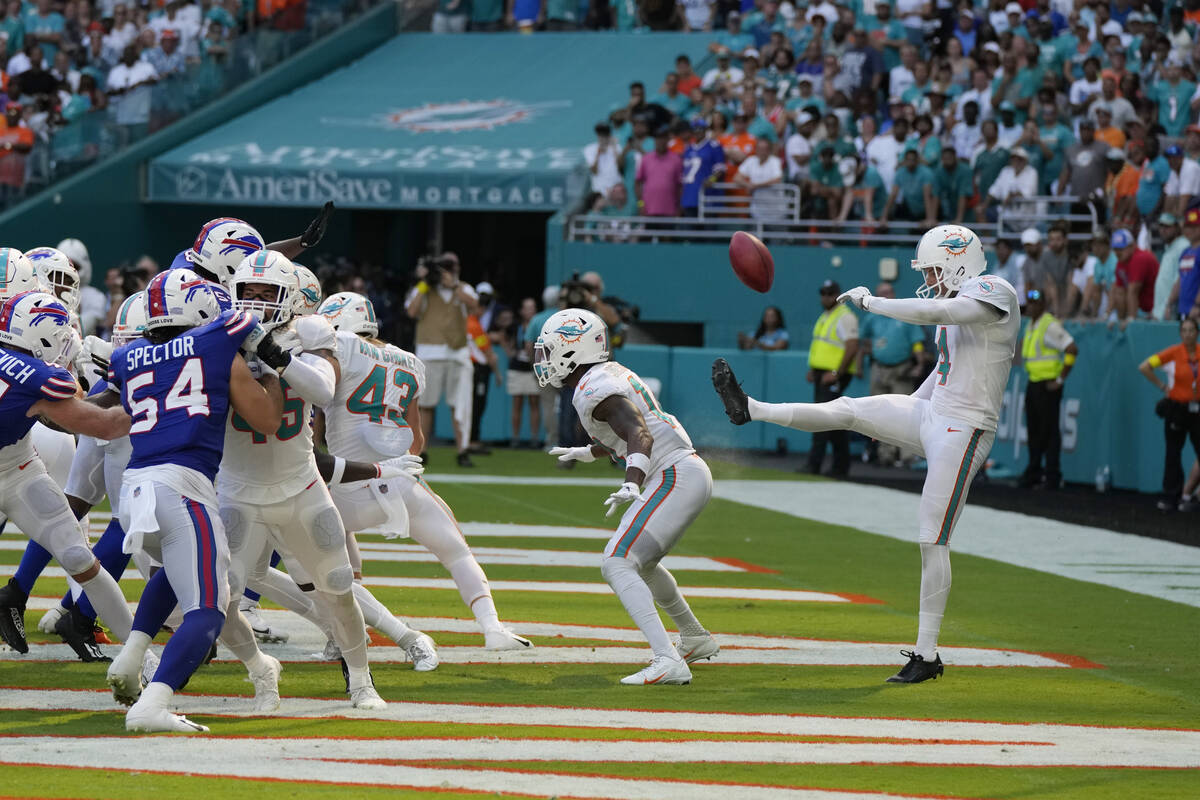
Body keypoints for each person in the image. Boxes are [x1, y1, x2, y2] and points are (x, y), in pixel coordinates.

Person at [714, 224, 1020, 683]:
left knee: (931, 538)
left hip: (967, 428)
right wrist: (901, 415)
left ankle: (927, 654)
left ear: (959, 258)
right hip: (933, 413)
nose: (932, 276)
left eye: (936, 267)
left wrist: (874, 303)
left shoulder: (996, 290)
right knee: (851, 409)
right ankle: (751, 408)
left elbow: (943, 308)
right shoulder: (956, 305)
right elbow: (944, 368)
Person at [101, 269, 287, 732]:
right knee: (207, 609)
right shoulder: (218, 342)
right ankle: (152, 706)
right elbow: (267, 420)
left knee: (178, 574)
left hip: (134, 491)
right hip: (183, 487)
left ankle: (131, 656)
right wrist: (273, 368)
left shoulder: (128, 356)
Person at [318, 291, 531, 651]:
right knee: (457, 552)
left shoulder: (341, 350)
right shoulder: (410, 362)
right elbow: (417, 439)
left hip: (349, 483)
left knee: (318, 556)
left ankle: (339, 637)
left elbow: (314, 419)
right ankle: (493, 628)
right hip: (401, 482)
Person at [537, 308, 715, 686]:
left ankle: (667, 659)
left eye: (551, 349)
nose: (545, 358)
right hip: (684, 470)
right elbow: (630, 430)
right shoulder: (607, 375)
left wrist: (633, 481)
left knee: (617, 562)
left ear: (573, 349)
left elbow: (640, 434)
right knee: (642, 564)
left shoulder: (592, 387)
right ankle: (694, 638)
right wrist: (589, 452)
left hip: (672, 474)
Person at [0, 287, 135, 658]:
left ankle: (140, 655)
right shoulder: (37, 377)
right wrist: (148, 396)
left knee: (77, 554)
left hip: (17, 463)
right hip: (18, 468)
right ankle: (141, 654)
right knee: (80, 559)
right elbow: (104, 426)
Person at [404, 252, 480, 467]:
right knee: (425, 404)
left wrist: (454, 285)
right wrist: (424, 283)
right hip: (430, 351)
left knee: (461, 404)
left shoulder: (463, 288)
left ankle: (462, 450)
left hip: (458, 353)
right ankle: (421, 449)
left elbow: (475, 306)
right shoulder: (425, 289)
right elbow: (412, 310)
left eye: (452, 266)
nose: (447, 270)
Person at [858, 281, 927, 466]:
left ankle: (907, 454)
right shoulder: (873, 317)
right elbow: (863, 338)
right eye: (881, 293)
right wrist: (862, 358)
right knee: (879, 412)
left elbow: (917, 342)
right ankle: (885, 453)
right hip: (879, 368)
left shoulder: (904, 314)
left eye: (888, 292)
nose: (885, 296)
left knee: (905, 411)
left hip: (901, 368)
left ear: (894, 293)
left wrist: (919, 362)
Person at [1017, 289, 1078, 490]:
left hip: (1048, 385)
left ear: (1043, 305)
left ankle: (1052, 475)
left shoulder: (1049, 324)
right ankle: (1034, 471)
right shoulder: (1032, 324)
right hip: (1034, 383)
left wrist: (1060, 379)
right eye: (1030, 303)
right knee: (1034, 430)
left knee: (1050, 431)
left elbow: (1071, 348)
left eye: (1036, 303)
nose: (1032, 307)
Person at [1138, 318, 1200, 511]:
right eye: (1185, 330)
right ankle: (1171, 496)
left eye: (1192, 330)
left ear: (1197, 333)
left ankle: (1189, 495)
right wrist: (1163, 386)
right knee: (1173, 452)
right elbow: (1145, 366)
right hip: (1177, 408)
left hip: (1197, 408)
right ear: (1180, 334)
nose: (1188, 334)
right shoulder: (1173, 353)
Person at [805, 280, 859, 477]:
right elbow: (822, 345)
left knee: (821, 419)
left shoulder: (845, 317)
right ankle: (840, 467)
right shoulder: (826, 316)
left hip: (834, 375)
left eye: (829, 293)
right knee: (834, 422)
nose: (825, 297)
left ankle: (814, 465)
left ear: (837, 294)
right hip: (823, 373)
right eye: (823, 293)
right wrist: (814, 369)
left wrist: (837, 373)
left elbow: (852, 346)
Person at [505, 297, 542, 447]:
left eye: (532, 308)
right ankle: (515, 438)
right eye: (527, 308)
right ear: (521, 311)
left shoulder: (540, 325)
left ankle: (534, 438)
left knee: (534, 403)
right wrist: (510, 352)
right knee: (517, 404)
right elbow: (503, 337)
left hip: (533, 369)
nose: (530, 311)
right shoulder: (515, 326)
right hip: (517, 369)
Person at [1111, 228, 1160, 322]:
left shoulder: (1140, 257)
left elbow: (1133, 291)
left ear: (1132, 246)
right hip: (1142, 311)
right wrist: (1121, 320)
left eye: (1121, 249)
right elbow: (1120, 293)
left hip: (1155, 311)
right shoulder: (1121, 263)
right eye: (1115, 249)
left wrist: (1130, 319)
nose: (1117, 253)